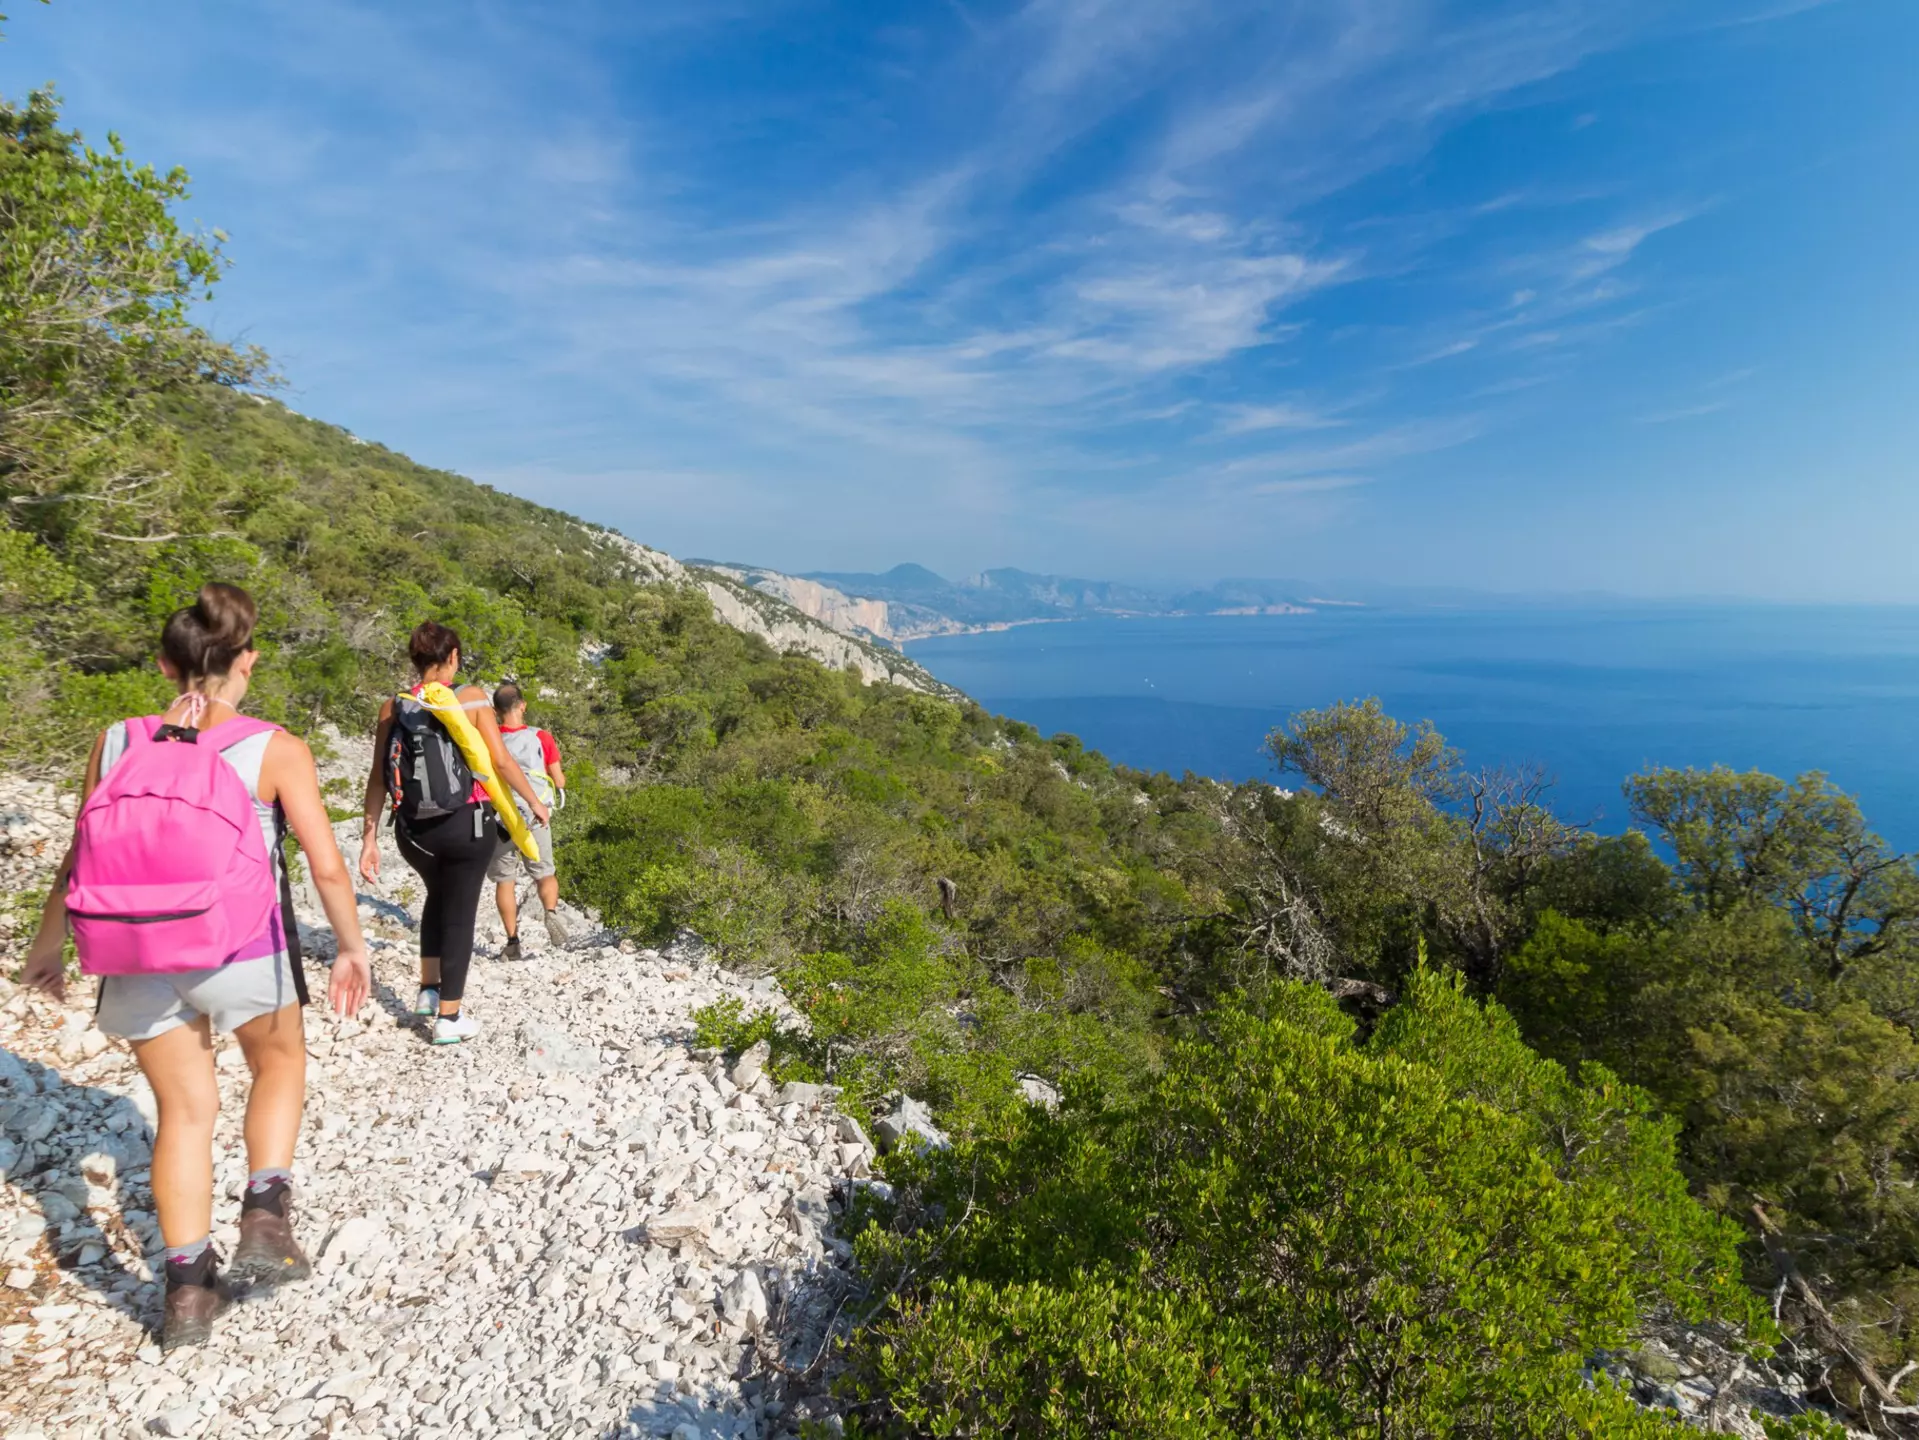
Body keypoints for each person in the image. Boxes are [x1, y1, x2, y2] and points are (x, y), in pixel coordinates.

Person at [19, 583, 372, 1352]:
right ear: (246, 660)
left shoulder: (117, 740)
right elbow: (326, 866)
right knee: (280, 1065)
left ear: (164, 665)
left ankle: (184, 1295)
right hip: (240, 948)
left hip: (134, 951)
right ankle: (265, 1221)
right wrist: (350, 946)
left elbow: (80, 856)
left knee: (183, 1112)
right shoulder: (273, 747)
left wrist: (47, 948)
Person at [360, 621, 548, 1045]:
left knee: (436, 899)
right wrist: (533, 803)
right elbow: (499, 762)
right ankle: (450, 1016)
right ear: (454, 658)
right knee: (460, 913)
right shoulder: (471, 699)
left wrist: (369, 838)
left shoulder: (393, 706)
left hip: (413, 832)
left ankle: (428, 992)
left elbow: (377, 777)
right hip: (465, 824)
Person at [487, 681, 569, 960]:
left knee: (505, 881)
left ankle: (512, 942)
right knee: (545, 872)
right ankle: (551, 912)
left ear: (496, 711)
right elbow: (558, 779)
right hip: (536, 815)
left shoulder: (490, 738)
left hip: (501, 818)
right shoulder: (541, 737)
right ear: (523, 706)